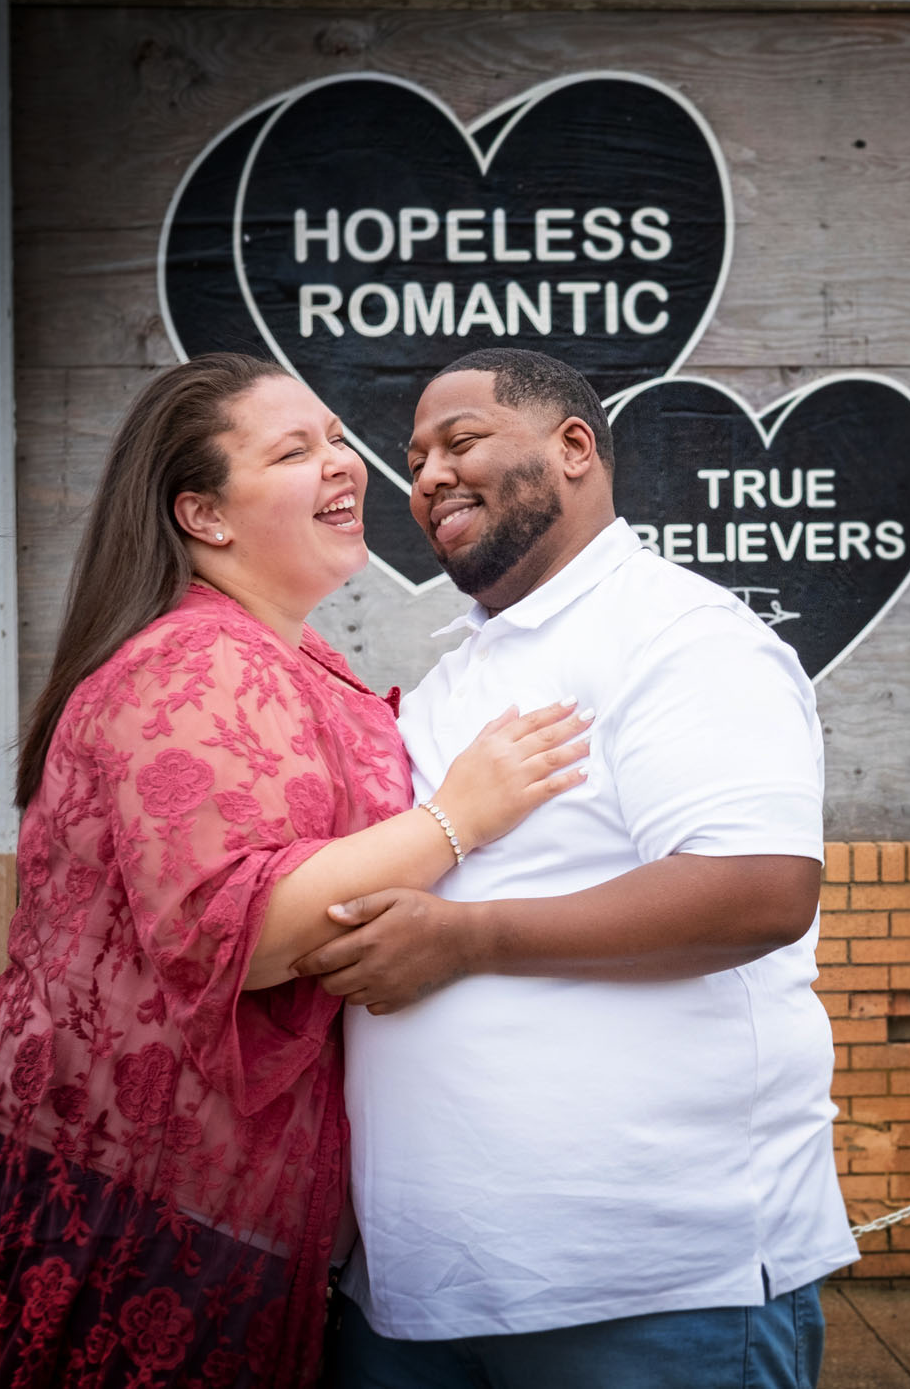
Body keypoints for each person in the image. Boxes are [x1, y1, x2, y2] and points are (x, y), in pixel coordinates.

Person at [0, 353, 590, 1388]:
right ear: (206, 517)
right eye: (292, 450)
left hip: (190, 1185)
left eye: (333, 437)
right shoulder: (197, 661)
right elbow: (243, 930)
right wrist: (464, 815)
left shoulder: (284, 653)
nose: (343, 464)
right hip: (135, 1196)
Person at [296, 347, 860, 1388]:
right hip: (418, 1292)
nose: (425, 478)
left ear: (572, 449)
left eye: (460, 442)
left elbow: (759, 891)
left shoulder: (682, 638)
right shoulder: (450, 677)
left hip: (648, 1288)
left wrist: (467, 940)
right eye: (414, 459)